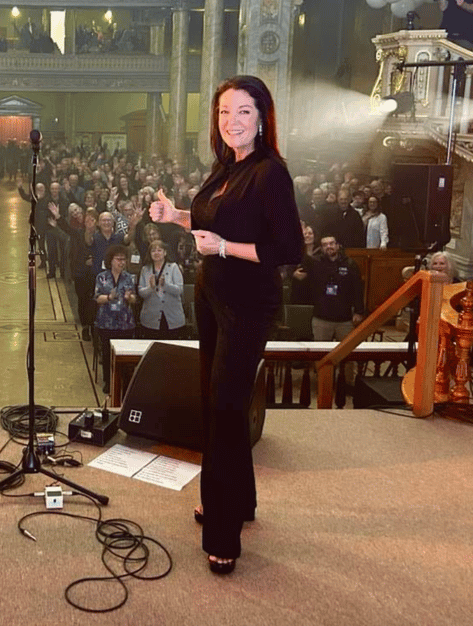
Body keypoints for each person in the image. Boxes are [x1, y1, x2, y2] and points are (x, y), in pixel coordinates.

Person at [149, 74, 303, 575]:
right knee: (218, 401)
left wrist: (223, 249)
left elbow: (287, 250)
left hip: (246, 304)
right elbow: (213, 222)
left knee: (225, 407)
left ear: (261, 116)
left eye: (242, 111)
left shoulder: (269, 173)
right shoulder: (226, 167)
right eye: (223, 112)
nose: (231, 121)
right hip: (212, 296)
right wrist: (176, 216)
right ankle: (239, 501)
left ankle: (224, 533)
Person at [293, 234, 365, 344]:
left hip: (344, 320)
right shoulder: (315, 263)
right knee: (321, 356)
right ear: (321, 248)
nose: (329, 246)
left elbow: (358, 289)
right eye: (325, 245)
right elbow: (297, 270)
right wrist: (293, 275)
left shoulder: (350, 264)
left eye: (331, 243)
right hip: (321, 319)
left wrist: (359, 311)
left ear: (337, 246)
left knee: (346, 356)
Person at [93, 243, 137, 395]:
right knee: (107, 353)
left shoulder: (129, 278)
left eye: (124, 259)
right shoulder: (102, 277)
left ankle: (124, 381)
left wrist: (129, 297)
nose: (121, 262)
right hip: (106, 321)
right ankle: (108, 381)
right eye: (118, 259)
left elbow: (133, 299)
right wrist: (109, 297)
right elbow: (97, 298)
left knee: (124, 355)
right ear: (111, 260)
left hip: (125, 322)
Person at [137, 240, 187, 338]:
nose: (156, 253)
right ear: (150, 254)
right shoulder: (145, 269)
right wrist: (150, 288)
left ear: (165, 253)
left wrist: (166, 285)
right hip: (150, 318)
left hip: (172, 317)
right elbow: (141, 292)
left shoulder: (173, 267)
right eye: (153, 251)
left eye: (159, 250)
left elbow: (180, 290)